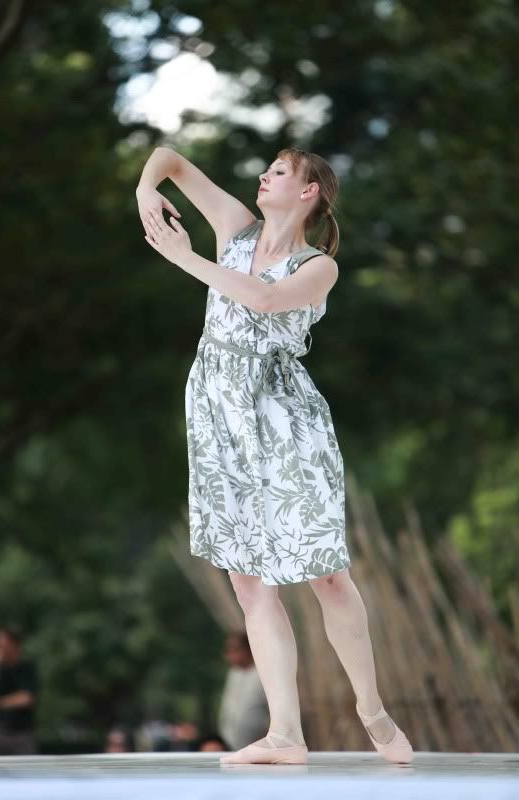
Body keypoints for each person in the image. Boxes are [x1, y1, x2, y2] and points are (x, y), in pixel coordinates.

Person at [135, 146, 414, 765]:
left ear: (309, 191)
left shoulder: (319, 267)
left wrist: (186, 259)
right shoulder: (236, 227)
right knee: (249, 582)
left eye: (281, 171)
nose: (265, 175)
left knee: (327, 574)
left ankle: (371, 709)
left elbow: (262, 301)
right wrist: (145, 190)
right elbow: (167, 159)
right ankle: (285, 734)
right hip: (218, 413)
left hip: (284, 419)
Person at [0, 624, 38, 755]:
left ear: (14, 644)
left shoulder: (27, 668)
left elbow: (26, 698)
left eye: (2, 644)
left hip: (22, 733)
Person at [217, 631, 270, 750]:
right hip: (230, 743)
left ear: (249, 649)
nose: (230, 655)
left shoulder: (264, 673)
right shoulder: (234, 673)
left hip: (258, 746)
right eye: (228, 651)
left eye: (235, 650)